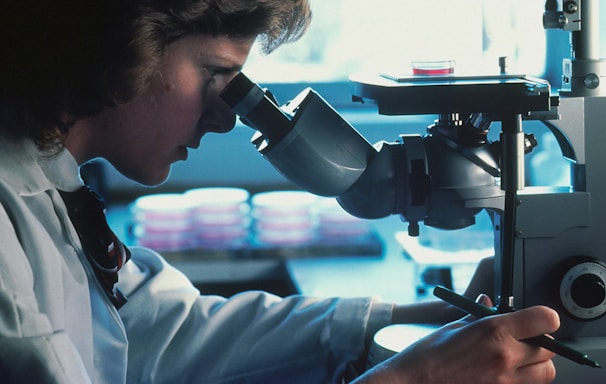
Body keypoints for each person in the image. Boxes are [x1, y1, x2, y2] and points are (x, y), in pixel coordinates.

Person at [0, 1, 559, 383]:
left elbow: (160, 334)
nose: (225, 119)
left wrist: (411, 323)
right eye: (214, 75)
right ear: (125, 46)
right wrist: (415, 377)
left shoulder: (53, 180)